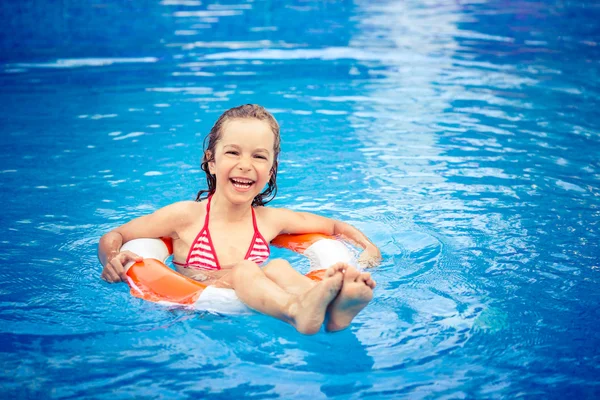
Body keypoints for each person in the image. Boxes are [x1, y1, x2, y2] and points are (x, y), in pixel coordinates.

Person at [98, 104, 381, 334]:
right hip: (198, 314)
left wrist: (369, 247)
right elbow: (116, 236)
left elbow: (334, 226)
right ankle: (299, 311)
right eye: (233, 152)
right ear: (211, 160)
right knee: (247, 270)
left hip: (251, 305)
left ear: (271, 170)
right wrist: (112, 258)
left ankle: (333, 305)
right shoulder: (185, 217)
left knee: (279, 267)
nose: (245, 165)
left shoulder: (270, 220)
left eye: (259, 156)